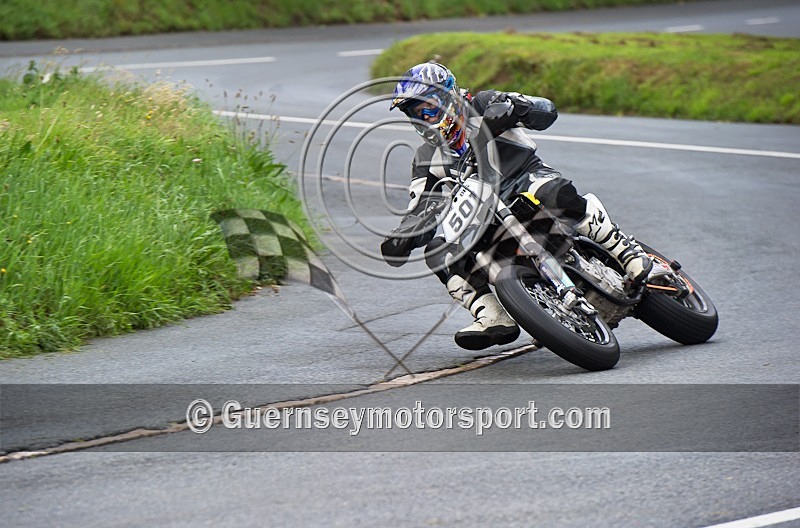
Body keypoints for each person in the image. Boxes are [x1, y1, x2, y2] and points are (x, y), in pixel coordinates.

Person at [381, 62, 652, 351]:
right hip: (484, 216)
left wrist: (515, 107)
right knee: (438, 250)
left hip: (525, 180)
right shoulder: (425, 159)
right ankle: (492, 314)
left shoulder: (483, 103)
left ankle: (626, 251)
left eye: (428, 107)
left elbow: (546, 111)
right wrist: (404, 236)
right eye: (415, 113)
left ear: (447, 96)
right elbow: (420, 205)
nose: (423, 117)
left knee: (549, 191)